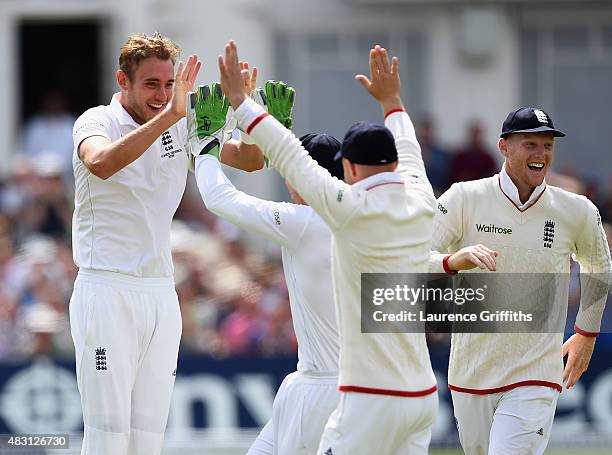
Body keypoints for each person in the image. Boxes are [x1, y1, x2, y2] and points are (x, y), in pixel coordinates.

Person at [218, 41, 438, 454]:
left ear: (349, 169)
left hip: (370, 399)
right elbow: (410, 149)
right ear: (393, 165)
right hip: (422, 396)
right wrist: (393, 101)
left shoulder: (347, 207)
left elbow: (291, 158)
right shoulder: (421, 198)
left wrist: (241, 104)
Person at [69, 33, 261, 455]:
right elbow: (101, 163)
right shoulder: (95, 121)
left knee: (148, 439)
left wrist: (249, 115)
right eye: (150, 84)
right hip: (106, 290)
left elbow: (249, 160)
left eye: (169, 83)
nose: (162, 94)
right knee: (108, 434)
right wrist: (171, 116)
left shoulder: (181, 120)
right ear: (124, 80)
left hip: (160, 293)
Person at [431, 107, 612, 454]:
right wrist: (453, 260)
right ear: (504, 147)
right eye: (530, 144)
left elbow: (598, 264)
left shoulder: (577, 210)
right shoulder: (463, 198)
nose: (541, 154)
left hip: (536, 373)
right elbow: (414, 258)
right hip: (471, 374)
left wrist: (586, 334)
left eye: (547, 145)